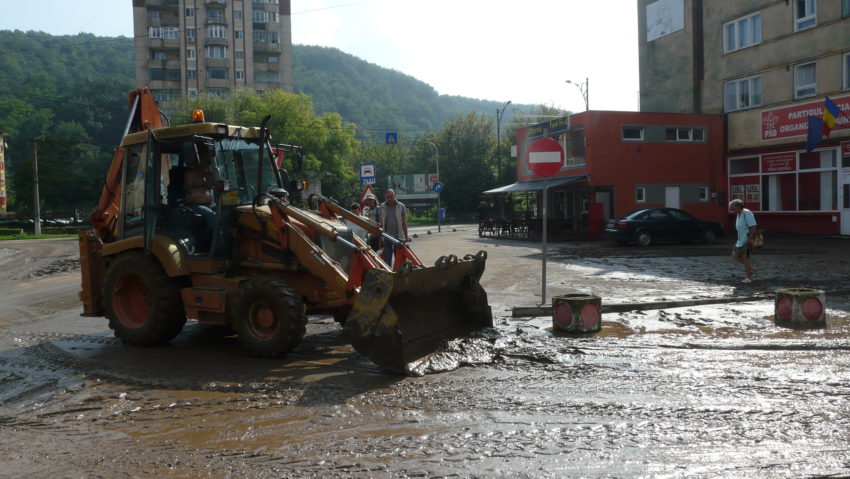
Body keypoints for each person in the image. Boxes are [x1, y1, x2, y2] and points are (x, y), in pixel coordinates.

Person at [377, 189, 409, 267]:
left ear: (394, 196)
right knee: (388, 258)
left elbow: (404, 223)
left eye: (391, 196)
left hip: (399, 236)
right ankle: (390, 275)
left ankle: (399, 275)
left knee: (399, 258)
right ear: (385, 197)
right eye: (388, 197)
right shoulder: (382, 206)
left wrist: (406, 236)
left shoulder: (401, 206)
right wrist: (380, 237)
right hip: (386, 236)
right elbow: (380, 223)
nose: (389, 199)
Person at [729, 198, 757, 283]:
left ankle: (749, 277)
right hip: (740, 240)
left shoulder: (747, 213)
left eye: (733, 208)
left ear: (738, 207)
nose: (732, 211)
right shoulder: (739, 214)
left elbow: (753, 226)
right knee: (734, 255)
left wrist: (750, 239)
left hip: (746, 240)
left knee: (745, 258)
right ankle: (751, 268)